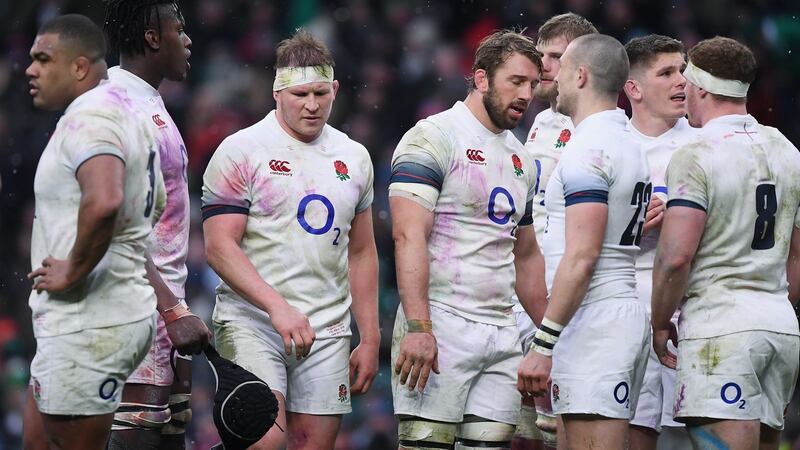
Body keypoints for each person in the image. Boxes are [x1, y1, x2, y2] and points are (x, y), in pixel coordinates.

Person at [201, 29, 379, 450]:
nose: (313, 105)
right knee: (264, 443)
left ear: (334, 88)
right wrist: (278, 308)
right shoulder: (241, 150)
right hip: (253, 323)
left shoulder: (355, 157)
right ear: (277, 92)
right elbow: (218, 247)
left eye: (321, 92)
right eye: (300, 94)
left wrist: (369, 338)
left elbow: (362, 251)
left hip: (328, 329)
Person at [389, 29, 545, 450]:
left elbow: (526, 256)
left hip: (501, 329)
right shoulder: (433, 137)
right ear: (481, 79)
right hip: (441, 322)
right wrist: (419, 326)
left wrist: (552, 339)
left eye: (532, 84)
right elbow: (407, 236)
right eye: (515, 81)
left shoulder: (523, 159)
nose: (526, 94)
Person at [21, 14, 164, 450]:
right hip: (96, 316)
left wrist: (72, 272)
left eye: (43, 59)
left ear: (80, 67)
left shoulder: (93, 117)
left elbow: (104, 201)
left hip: (91, 319)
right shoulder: (126, 112)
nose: (30, 69)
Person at [651, 36, 800, 450]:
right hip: (780, 328)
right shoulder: (788, 150)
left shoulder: (696, 153)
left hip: (722, 329)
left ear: (699, 88)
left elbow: (676, 257)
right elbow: (797, 256)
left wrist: (660, 322)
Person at [517, 34, 650, 450]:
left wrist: (543, 342)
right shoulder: (627, 140)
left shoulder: (588, 149)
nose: (550, 78)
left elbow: (583, 255)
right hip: (609, 314)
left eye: (560, 68)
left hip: (596, 321)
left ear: (580, 75)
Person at [102, 1, 212, 448]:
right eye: (179, 29)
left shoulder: (149, 102)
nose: (187, 40)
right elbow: (111, 223)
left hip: (163, 319)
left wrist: (173, 312)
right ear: (152, 37)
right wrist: (171, 310)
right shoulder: (114, 107)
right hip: (132, 316)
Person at [514, 13, 597, 450]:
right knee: (520, 433)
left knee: (558, 433)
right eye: (540, 54)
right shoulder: (543, 121)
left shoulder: (598, 128)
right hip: (526, 295)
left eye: (555, 57)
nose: (543, 66)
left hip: (566, 302)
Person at [621, 34, 693, 450]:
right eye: (667, 72)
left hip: (690, 316)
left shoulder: (703, 144)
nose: (681, 81)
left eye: (682, 70)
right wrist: (633, 228)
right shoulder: (610, 147)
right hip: (629, 314)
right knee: (636, 436)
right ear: (634, 89)